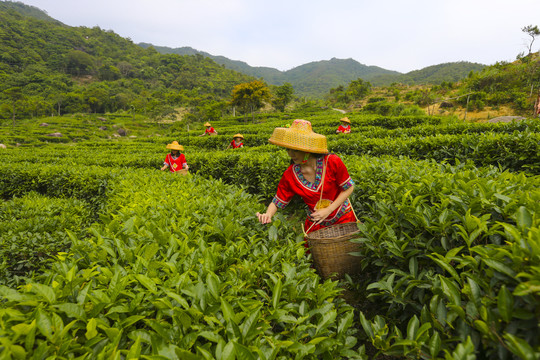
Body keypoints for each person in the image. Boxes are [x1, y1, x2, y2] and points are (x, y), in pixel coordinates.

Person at [256, 119, 356, 236]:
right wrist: (268, 214)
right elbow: (277, 200)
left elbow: (349, 187)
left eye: (296, 150)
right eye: (288, 149)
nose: (290, 154)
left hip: (343, 218)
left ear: (307, 149)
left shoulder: (332, 162)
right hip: (316, 224)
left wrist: (329, 209)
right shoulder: (290, 174)